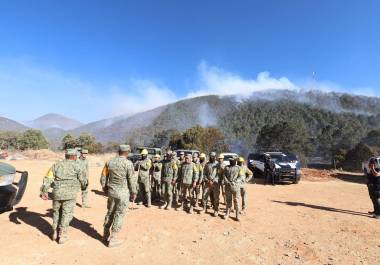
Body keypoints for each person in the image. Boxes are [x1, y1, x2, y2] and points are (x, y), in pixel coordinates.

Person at [40, 149, 87, 244]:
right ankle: (62, 235)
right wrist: (83, 187)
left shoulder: (56, 165)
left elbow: (48, 178)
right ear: (74, 156)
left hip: (57, 193)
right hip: (70, 194)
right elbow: (83, 180)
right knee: (67, 214)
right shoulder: (78, 166)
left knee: (56, 212)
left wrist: (44, 191)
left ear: (66, 156)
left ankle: (54, 232)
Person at [100, 145, 137, 247]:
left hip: (111, 192)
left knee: (110, 212)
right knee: (119, 214)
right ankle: (113, 239)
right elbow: (131, 180)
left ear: (119, 151)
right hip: (123, 194)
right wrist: (134, 192)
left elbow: (103, 177)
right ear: (127, 152)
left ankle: (105, 234)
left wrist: (105, 188)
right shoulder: (128, 164)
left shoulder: (109, 162)